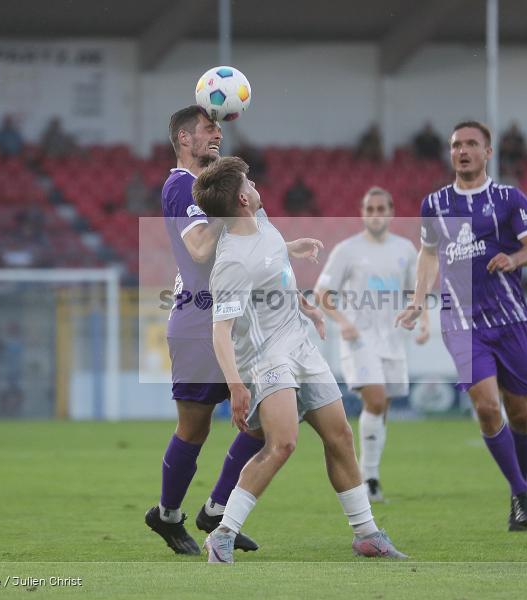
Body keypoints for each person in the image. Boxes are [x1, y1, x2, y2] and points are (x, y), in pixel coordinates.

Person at [194, 156, 406, 563]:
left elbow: (269, 258)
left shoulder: (259, 221)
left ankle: (366, 533)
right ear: (241, 198)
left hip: (301, 345)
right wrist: (237, 385)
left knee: (340, 435)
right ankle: (222, 534)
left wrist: (301, 295)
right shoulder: (232, 262)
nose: (256, 185)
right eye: (249, 182)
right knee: (283, 443)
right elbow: (221, 331)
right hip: (266, 357)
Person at [146, 105, 325, 556]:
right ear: (184, 138)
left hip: (246, 320)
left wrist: (291, 279)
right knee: (194, 428)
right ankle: (167, 516)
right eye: (208, 128)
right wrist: (228, 202)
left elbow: (253, 250)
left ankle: (217, 510)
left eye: (218, 128)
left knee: (264, 423)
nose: (217, 135)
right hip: (198, 319)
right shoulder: (181, 185)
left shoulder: (225, 186)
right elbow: (202, 248)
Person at [395, 120, 527, 532]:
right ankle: (520, 493)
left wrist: (514, 259)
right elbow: (428, 256)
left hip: (510, 318)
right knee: (485, 406)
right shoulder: (435, 204)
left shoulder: (509, 199)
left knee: (520, 412)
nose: (462, 151)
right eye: (456, 145)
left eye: (471, 144)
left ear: (487, 152)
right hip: (461, 321)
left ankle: (520, 487)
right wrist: (416, 300)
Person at [314, 187, 429, 502]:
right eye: (370, 208)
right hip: (359, 339)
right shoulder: (347, 250)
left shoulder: (405, 249)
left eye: (381, 208)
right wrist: (344, 322)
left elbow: (414, 293)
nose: (375, 214)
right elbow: (322, 293)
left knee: (383, 406)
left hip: (392, 339)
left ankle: (372, 477)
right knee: (376, 399)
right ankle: (366, 479)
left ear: (391, 212)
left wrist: (424, 323)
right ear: (363, 213)